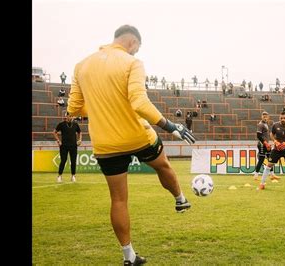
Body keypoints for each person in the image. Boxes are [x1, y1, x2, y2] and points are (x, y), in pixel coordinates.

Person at [66, 25, 196, 265]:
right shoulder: (132, 62)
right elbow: (139, 102)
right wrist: (170, 126)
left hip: (105, 143)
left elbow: (73, 109)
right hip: (137, 135)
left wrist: (101, 108)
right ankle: (179, 198)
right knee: (163, 165)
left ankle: (129, 256)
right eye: (137, 47)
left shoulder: (81, 65)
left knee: (118, 200)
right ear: (133, 42)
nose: (136, 51)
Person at [258, 111, 285, 190]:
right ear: (279, 118)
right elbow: (271, 134)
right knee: (268, 166)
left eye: (284, 118)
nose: (282, 119)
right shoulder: (275, 125)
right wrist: (275, 141)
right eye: (281, 118)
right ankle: (262, 184)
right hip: (277, 150)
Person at [53, 113, 82, 183]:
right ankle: (59, 176)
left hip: (73, 146)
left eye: (72, 116)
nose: (71, 117)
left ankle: (73, 176)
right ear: (66, 116)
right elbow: (54, 132)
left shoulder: (75, 124)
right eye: (69, 116)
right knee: (63, 161)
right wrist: (58, 140)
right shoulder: (61, 124)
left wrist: (80, 139)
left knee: (73, 161)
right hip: (64, 146)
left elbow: (80, 132)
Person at [253, 111, 279, 181]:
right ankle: (256, 175)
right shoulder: (261, 125)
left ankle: (272, 174)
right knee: (261, 160)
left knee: (270, 158)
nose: (265, 118)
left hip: (266, 144)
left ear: (268, 117)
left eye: (266, 117)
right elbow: (258, 135)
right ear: (262, 117)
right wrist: (265, 143)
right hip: (262, 145)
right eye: (264, 116)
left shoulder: (266, 124)